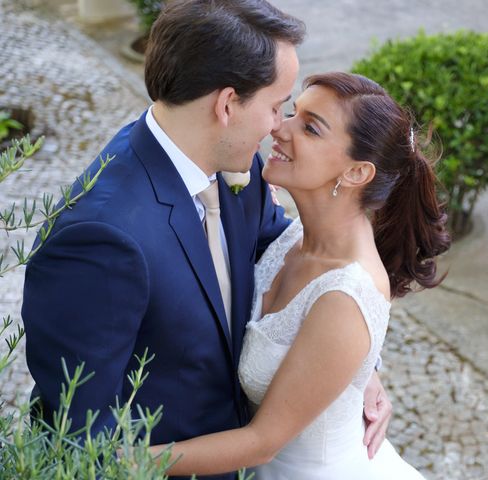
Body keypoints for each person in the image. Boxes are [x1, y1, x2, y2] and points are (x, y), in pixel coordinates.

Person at [21, 2, 391, 479]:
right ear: (227, 104)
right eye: (277, 105)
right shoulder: (101, 238)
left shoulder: (236, 165)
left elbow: (283, 257)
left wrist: (352, 362)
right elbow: (79, 430)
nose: (278, 126)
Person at [150, 72, 451, 479]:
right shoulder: (291, 235)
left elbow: (262, 443)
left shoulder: (345, 297)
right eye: (292, 112)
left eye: (309, 128)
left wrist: (120, 463)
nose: (279, 127)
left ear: (357, 173)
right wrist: (361, 371)